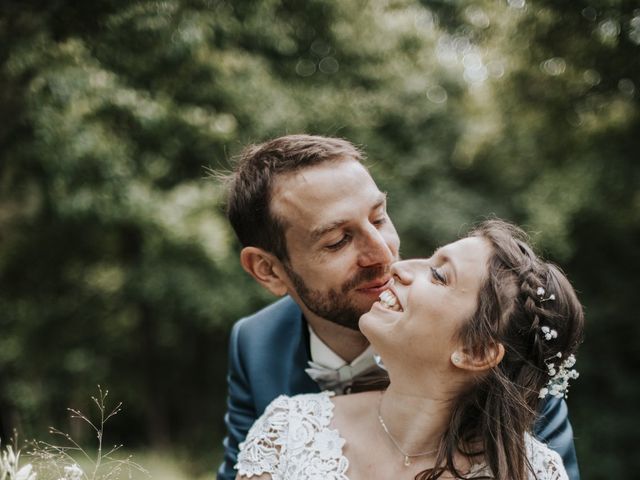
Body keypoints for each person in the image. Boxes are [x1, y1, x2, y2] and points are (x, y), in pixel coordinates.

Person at [217, 135, 579, 479]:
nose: (386, 255)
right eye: (338, 240)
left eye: (378, 218)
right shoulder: (256, 347)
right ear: (268, 270)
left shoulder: (507, 358)